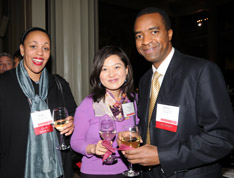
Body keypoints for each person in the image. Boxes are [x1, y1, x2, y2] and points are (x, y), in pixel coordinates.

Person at [118, 7, 234, 178]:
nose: (146, 41)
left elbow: (221, 138)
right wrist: (136, 134)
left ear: (169, 34)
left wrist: (162, 156)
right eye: (139, 36)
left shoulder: (202, 71)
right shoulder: (145, 80)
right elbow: (152, 125)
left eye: (154, 31)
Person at [0, 27, 77, 178]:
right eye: (33, 46)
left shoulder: (60, 85)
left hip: (58, 172)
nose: (40, 52)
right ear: (22, 50)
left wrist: (73, 122)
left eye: (45, 48)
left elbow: (75, 116)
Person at [71, 46, 139, 178]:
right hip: (95, 173)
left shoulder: (133, 100)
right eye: (104, 69)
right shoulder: (89, 103)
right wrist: (93, 149)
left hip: (129, 170)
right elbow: (76, 141)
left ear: (126, 70)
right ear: (98, 74)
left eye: (117, 67)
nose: (111, 74)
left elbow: (140, 129)